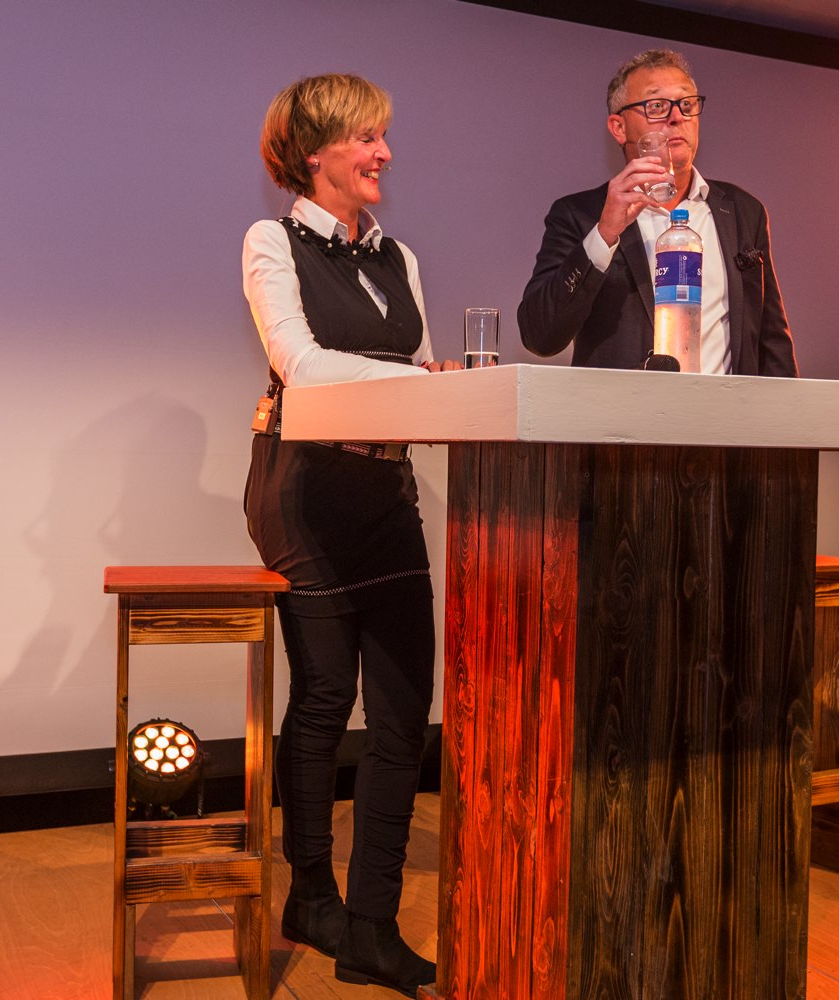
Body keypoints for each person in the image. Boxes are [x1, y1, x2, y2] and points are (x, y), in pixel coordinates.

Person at [242, 73, 453, 998]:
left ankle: (370, 927)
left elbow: (416, 376)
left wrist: (441, 387)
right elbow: (298, 363)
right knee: (327, 696)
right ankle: (310, 896)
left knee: (404, 709)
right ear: (315, 151)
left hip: (383, 488)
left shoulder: (400, 256)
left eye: (383, 136)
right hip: (304, 492)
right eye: (367, 137)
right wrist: (415, 380)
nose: (384, 153)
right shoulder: (271, 241)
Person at [518, 49, 798, 377]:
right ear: (619, 127)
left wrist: (789, 410)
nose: (677, 117)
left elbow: (771, 340)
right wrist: (605, 233)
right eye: (656, 106)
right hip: (621, 409)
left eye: (687, 104)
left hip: (725, 408)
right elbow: (540, 336)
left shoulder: (742, 211)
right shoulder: (579, 215)